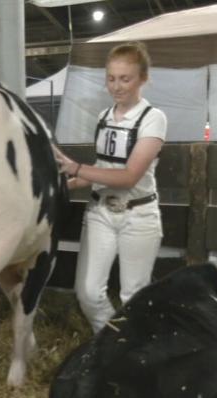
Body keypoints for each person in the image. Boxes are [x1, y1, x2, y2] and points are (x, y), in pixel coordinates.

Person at [53, 41, 167, 333]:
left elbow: (129, 176)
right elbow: (103, 169)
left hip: (138, 214)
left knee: (133, 296)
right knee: (89, 293)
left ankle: (128, 348)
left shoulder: (153, 118)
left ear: (143, 78)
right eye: (111, 78)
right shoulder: (104, 117)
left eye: (125, 79)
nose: (116, 86)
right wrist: (67, 184)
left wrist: (76, 167)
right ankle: (112, 341)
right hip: (100, 212)